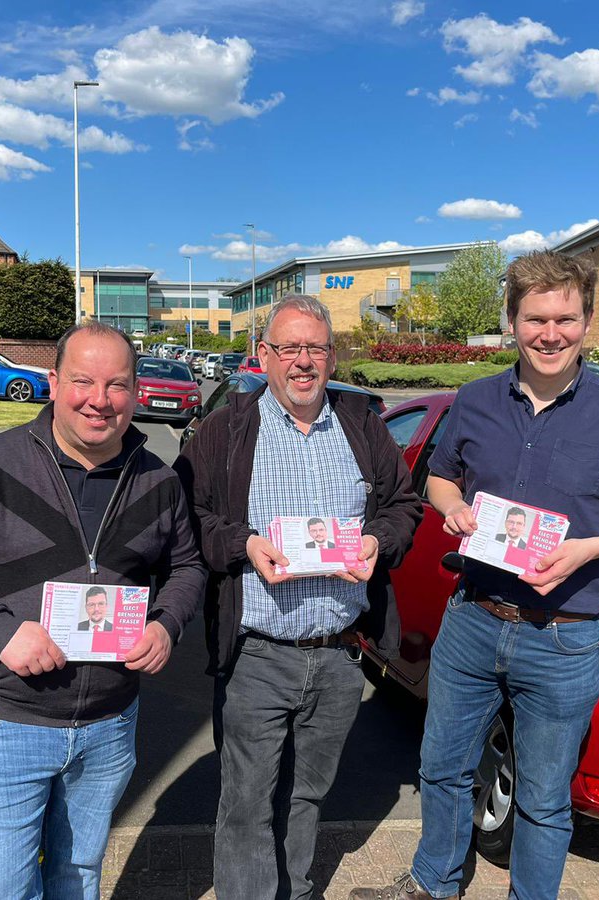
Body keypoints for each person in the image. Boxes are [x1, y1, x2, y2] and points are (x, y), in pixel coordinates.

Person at [351, 251, 599, 900]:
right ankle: (434, 884)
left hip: (564, 638)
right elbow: (441, 476)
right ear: (511, 320)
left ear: (588, 322)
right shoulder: (476, 401)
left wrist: (589, 549)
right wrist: (451, 507)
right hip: (473, 618)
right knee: (442, 769)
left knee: (543, 800)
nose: (550, 332)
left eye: (566, 318)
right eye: (536, 318)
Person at [0, 321, 206, 900]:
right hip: (5, 722)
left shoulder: (159, 482)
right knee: (1, 890)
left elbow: (188, 568)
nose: (100, 399)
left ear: (136, 391)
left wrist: (166, 625)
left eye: (117, 384)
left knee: (76, 879)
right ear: (52, 382)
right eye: (83, 381)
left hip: (108, 725)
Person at [174, 294, 422, 900]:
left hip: (339, 654)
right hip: (257, 651)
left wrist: (376, 543)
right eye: (290, 348)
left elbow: (403, 506)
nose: (303, 362)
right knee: (247, 804)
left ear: (332, 356)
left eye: (315, 348)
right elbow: (190, 516)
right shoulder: (228, 429)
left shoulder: (362, 424)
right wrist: (245, 545)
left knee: (307, 796)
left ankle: (296, 889)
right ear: (265, 356)